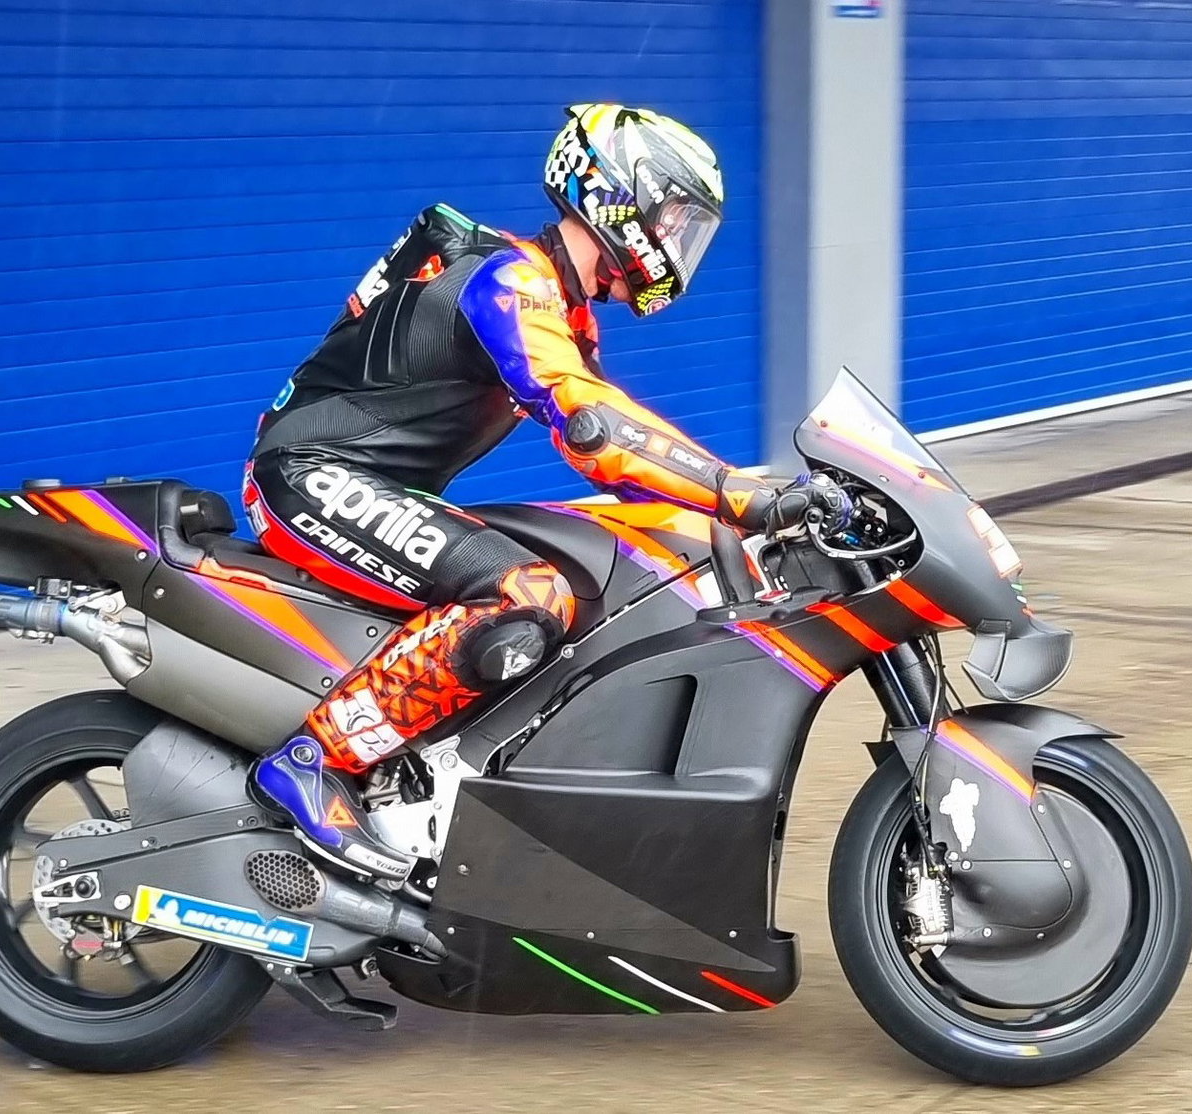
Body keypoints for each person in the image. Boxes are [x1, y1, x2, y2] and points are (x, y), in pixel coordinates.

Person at [243, 104, 847, 879]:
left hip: (371, 484)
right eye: (675, 215)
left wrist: (727, 511)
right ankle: (312, 763)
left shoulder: (555, 303)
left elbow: (619, 440)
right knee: (528, 593)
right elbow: (593, 428)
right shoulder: (509, 280)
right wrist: (740, 495)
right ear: (615, 194)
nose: (679, 240)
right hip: (310, 476)